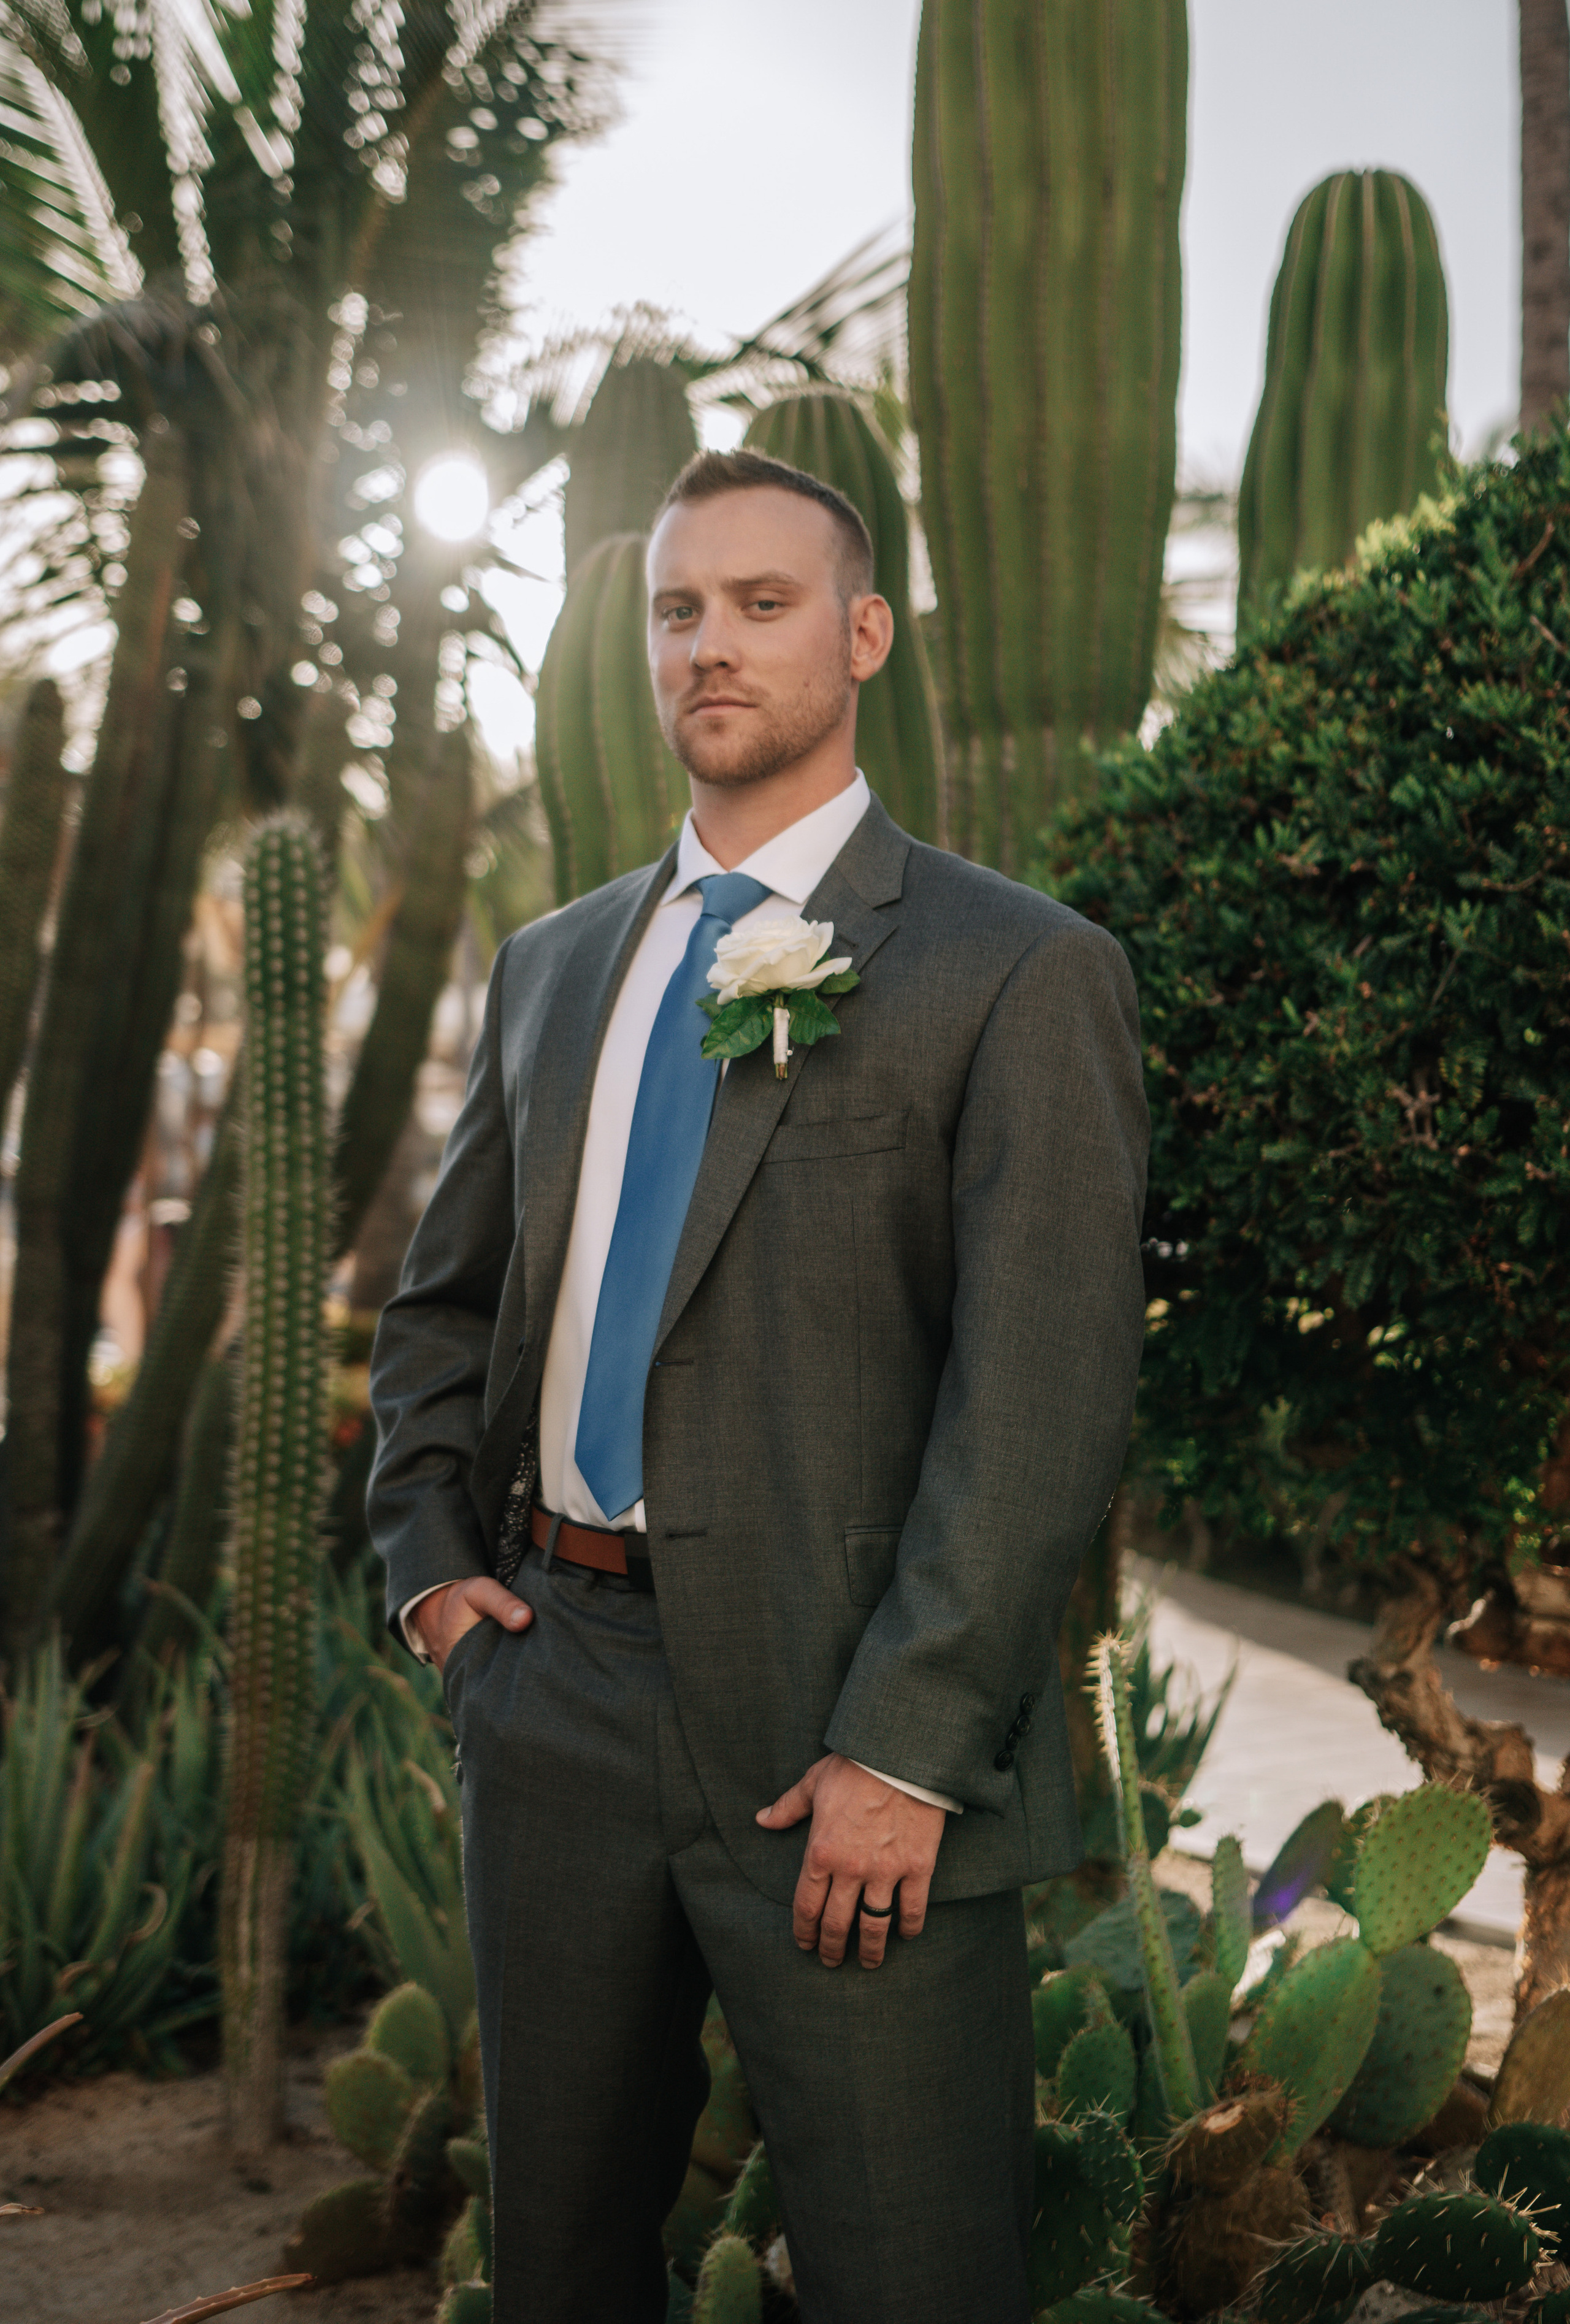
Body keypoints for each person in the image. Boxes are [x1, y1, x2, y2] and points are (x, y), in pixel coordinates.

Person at [367, 448, 1149, 2323]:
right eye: (678, 611)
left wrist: (905, 1748)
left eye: (764, 605)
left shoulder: (1014, 969)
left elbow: (1040, 1398)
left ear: (865, 633)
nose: (711, 646)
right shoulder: (554, 969)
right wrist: (436, 1581)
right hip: (551, 1695)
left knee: (912, 2276)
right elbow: (444, 1307)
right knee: (557, 2267)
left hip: (843, 1737)